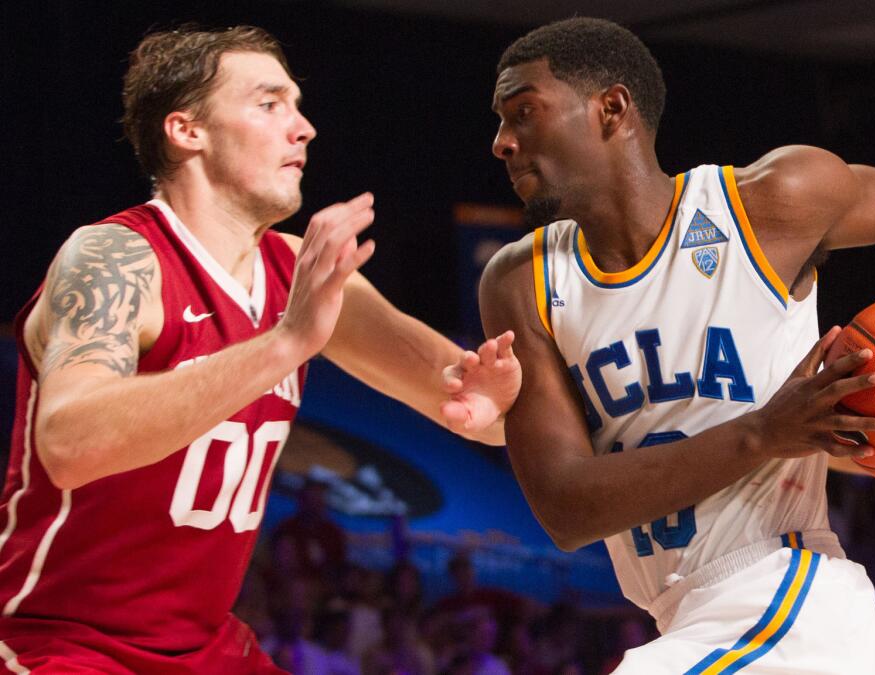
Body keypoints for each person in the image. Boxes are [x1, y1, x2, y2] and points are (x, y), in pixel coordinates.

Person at [479, 17, 875, 672]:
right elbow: (566, 508)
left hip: (793, 599)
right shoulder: (521, 282)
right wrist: (763, 432)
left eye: (523, 113)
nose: (501, 142)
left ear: (612, 109)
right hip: (683, 617)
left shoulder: (767, 205)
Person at [0, 25, 519, 672]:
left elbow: (477, 408)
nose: (302, 128)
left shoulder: (302, 268)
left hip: (204, 644)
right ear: (187, 131)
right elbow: (72, 445)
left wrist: (492, 407)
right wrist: (285, 342)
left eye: (298, 106)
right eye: (270, 104)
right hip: (63, 638)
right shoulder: (114, 257)